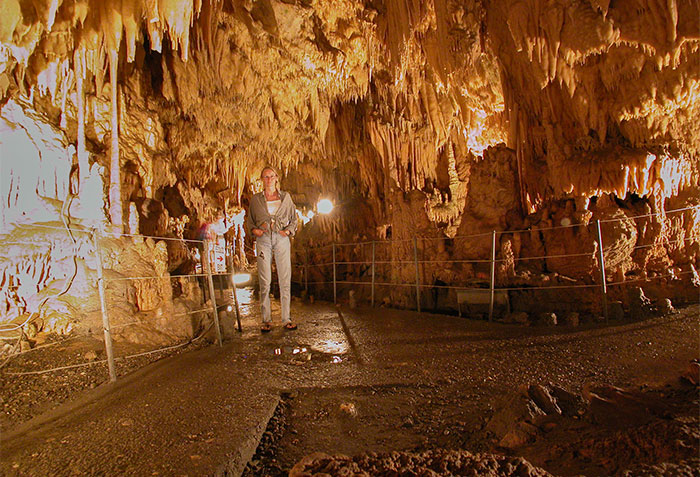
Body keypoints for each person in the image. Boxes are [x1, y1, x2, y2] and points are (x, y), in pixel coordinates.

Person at [248, 166, 298, 332]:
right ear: (262, 179)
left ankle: (286, 318)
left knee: (284, 278)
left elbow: (293, 219)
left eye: (271, 176)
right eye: (265, 177)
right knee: (265, 280)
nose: (268, 179)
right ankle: (266, 320)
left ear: (277, 178)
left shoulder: (286, 197)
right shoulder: (256, 200)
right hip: (263, 240)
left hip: (281, 239)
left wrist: (288, 231)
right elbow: (250, 222)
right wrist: (255, 230)